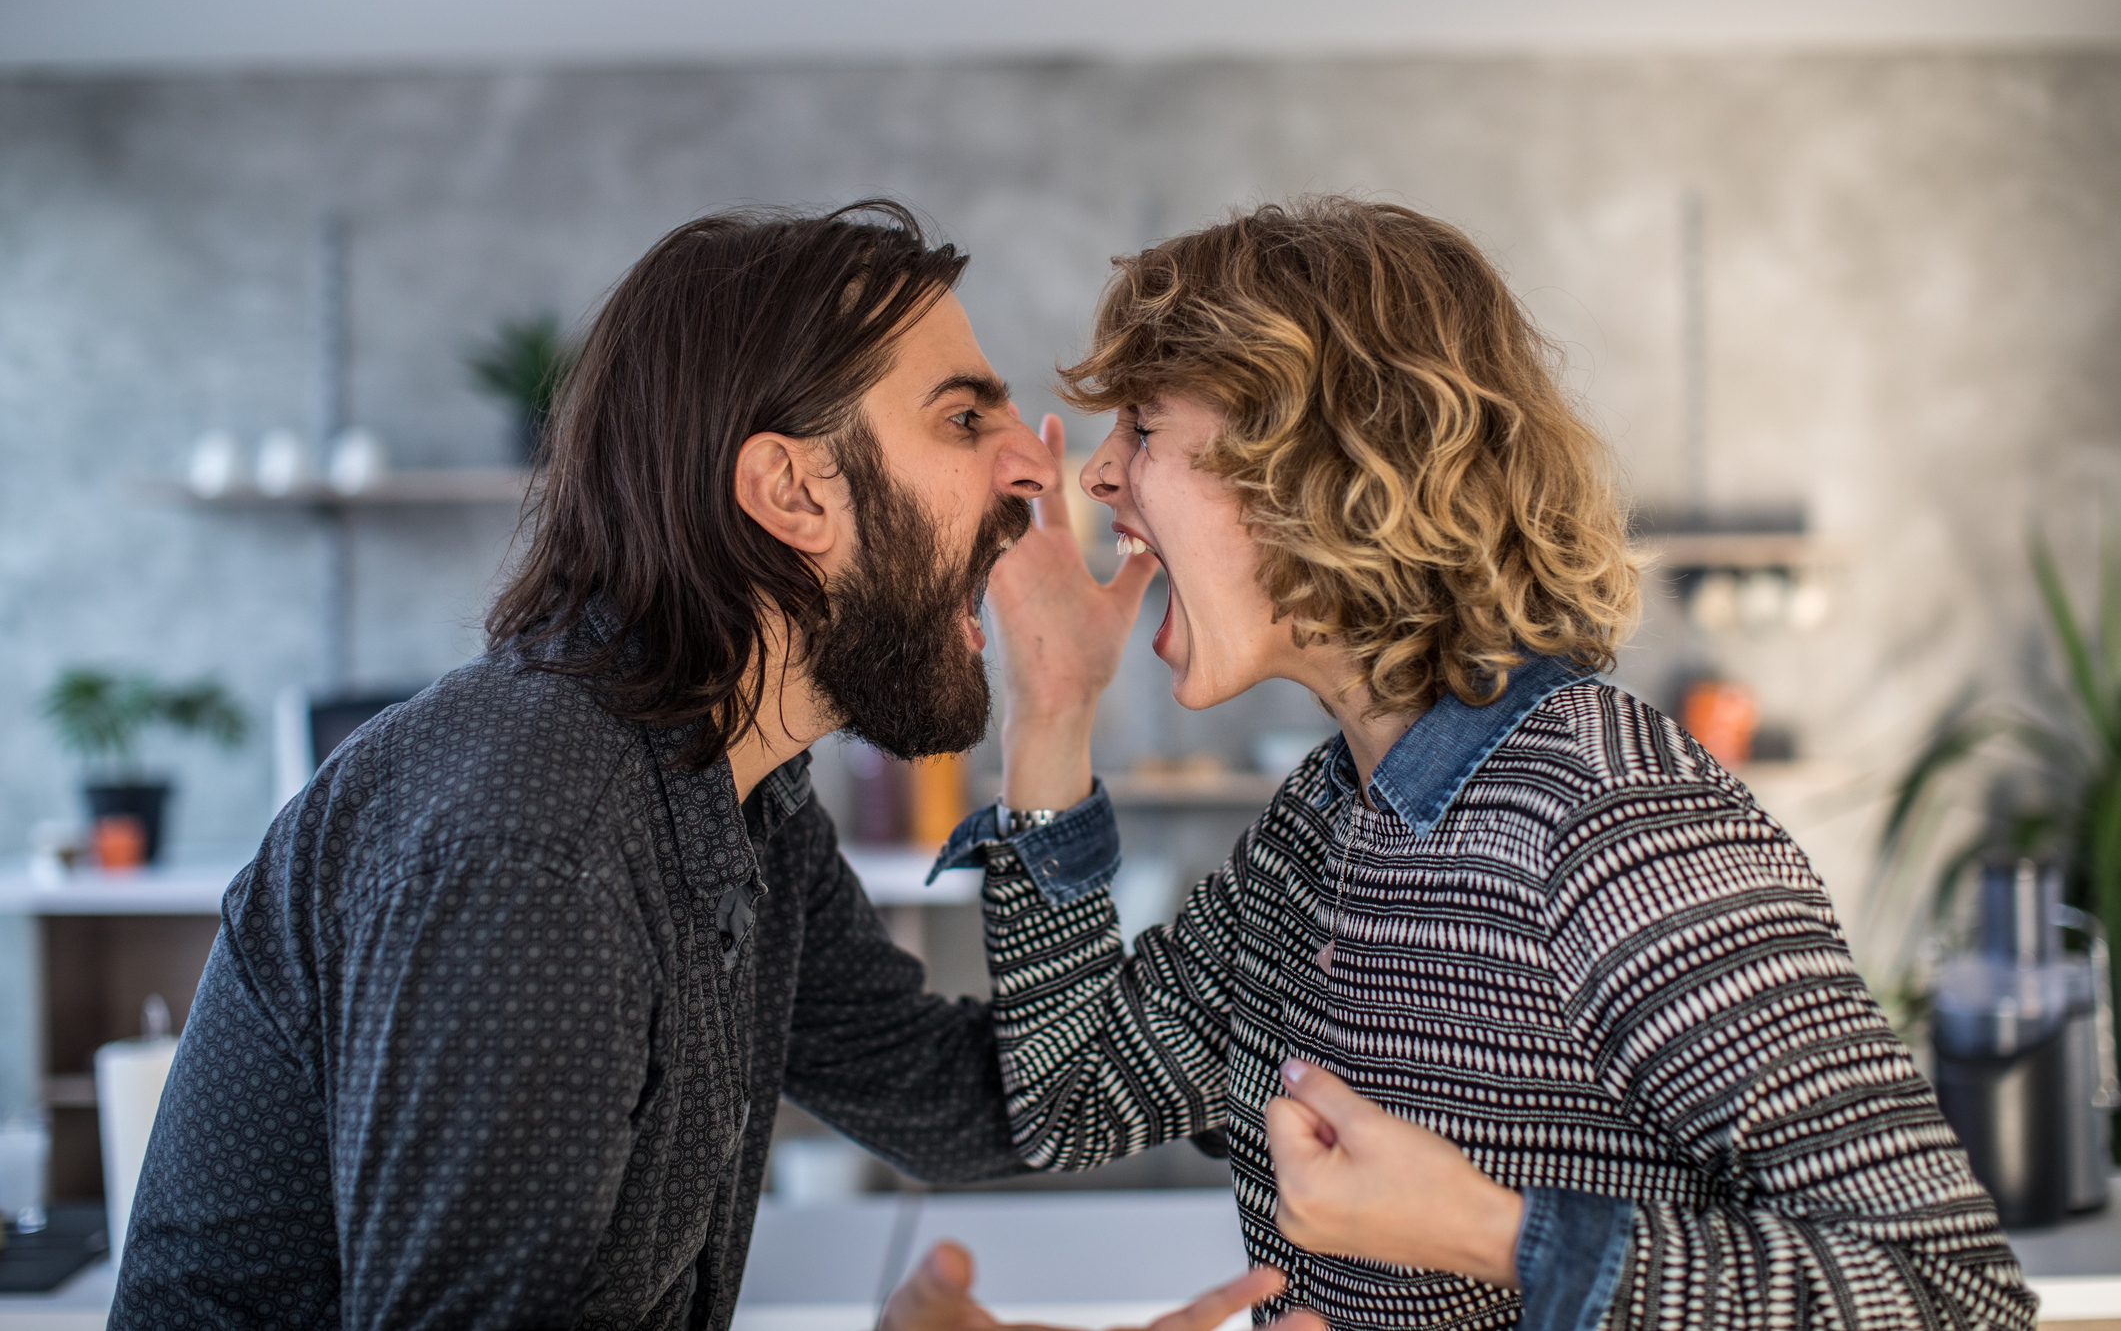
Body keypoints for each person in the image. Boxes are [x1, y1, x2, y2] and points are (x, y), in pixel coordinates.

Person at [109, 202, 1253, 1331]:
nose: (1037, 468)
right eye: (965, 420)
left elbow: (975, 1102)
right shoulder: (538, 845)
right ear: (791, 492)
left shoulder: (735, 788)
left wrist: (1057, 715)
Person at [948, 198, 2037, 1331]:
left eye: (1140, 424)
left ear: (1318, 461)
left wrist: (1494, 1234)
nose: (1103, 478)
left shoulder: (1615, 824)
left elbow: (1954, 1298)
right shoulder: (1323, 824)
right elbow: (1071, 1095)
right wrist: (1054, 708)